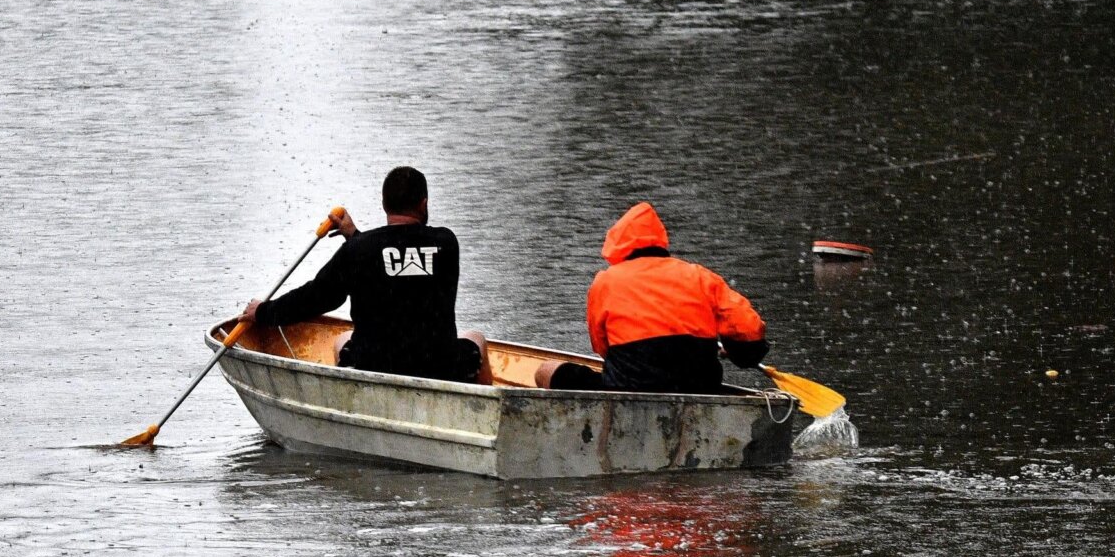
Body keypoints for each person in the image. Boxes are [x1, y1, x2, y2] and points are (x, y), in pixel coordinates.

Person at [241, 166, 489, 384]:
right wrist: (355, 235)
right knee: (475, 338)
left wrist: (263, 312)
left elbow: (318, 297)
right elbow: (399, 264)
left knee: (342, 341)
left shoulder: (359, 251)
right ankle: (481, 410)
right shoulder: (447, 243)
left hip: (375, 365)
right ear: (423, 203)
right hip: (440, 366)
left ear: (384, 205)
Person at [539, 201, 767, 394]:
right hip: (699, 388)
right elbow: (749, 331)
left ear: (618, 246)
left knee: (545, 371)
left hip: (627, 391)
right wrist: (737, 353)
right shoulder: (700, 276)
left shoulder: (606, 281)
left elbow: (602, 348)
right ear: (660, 242)